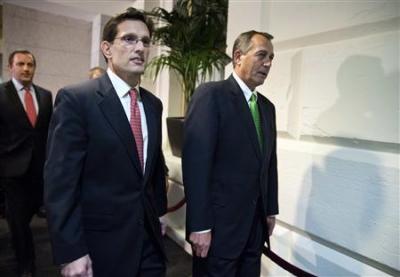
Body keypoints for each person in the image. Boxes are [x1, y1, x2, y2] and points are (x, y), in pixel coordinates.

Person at [44, 8, 167, 277]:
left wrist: (159, 213)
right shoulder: (77, 100)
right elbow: (60, 183)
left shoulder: (153, 105)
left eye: (145, 42)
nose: (140, 48)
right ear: (107, 48)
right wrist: (70, 251)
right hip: (101, 246)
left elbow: (154, 167)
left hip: (149, 243)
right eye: (130, 39)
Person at [182, 30, 279, 277]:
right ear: (238, 56)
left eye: (271, 57)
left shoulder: (267, 108)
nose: (267, 63)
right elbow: (196, 165)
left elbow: (269, 164)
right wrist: (199, 225)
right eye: (261, 55)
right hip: (218, 231)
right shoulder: (211, 95)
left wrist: (270, 209)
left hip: (254, 230)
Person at [0, 50, 53, 277]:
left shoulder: (45, 95)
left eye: (30, 65)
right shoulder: (1, 94)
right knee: (18, 223)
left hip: (40, 171)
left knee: (36, 218)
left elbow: (48, 132)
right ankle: (26, 265)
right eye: (20, 64)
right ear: (10, 67)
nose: (26, 69)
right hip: (11, 171)